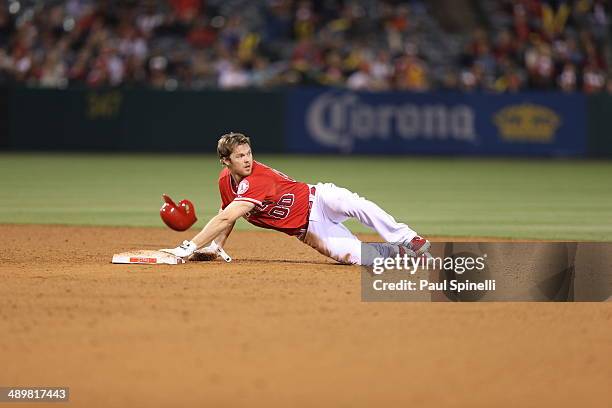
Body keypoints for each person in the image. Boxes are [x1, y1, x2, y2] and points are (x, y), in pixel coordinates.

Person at [161, 132, 430, 265]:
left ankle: (408, 238)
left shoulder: (258, 178)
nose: (247, 159)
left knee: (357, 204)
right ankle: (404, 256)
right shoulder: (225, 180)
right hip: (309, 229)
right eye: (239, 156)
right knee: (358, 257)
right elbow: (228, 211)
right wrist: (217, 245)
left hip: (319, 197)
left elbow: (228, 215)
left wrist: (189, 245)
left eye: (248, 153)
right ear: (225, 161)